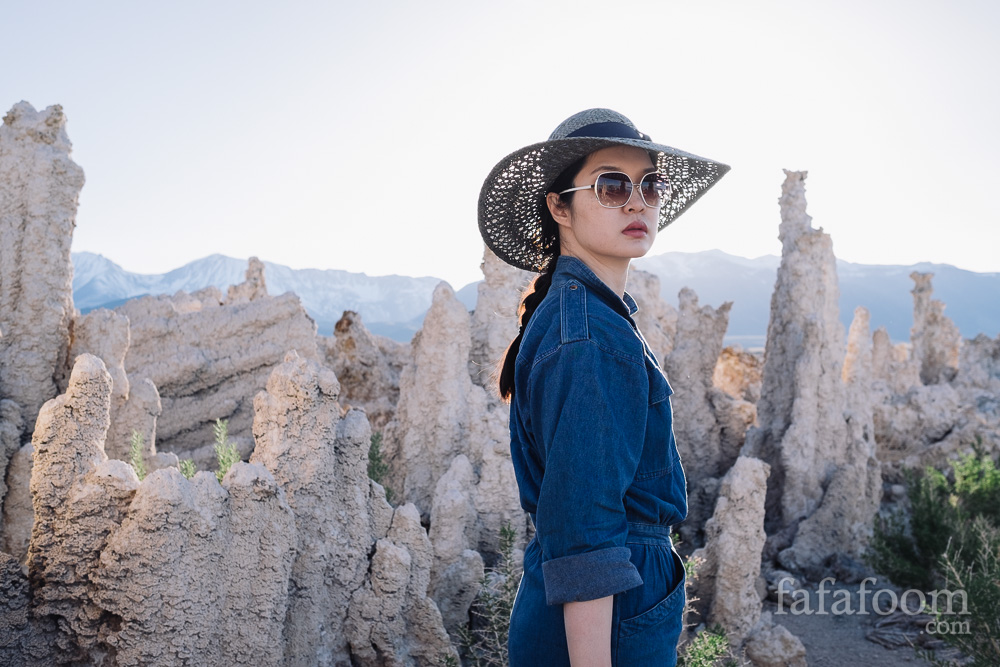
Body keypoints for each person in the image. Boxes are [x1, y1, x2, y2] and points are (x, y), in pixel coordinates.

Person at [477, 109, 729, 666]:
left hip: (606, 598)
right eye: (612, 185)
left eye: (650, 184)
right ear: (559, 206)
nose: (638, 201)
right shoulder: (589, 336)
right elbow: (586, 531)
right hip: (607, 611)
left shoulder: (586, 316)